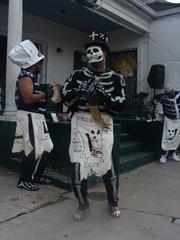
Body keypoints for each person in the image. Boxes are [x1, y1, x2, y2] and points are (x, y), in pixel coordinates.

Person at [62, 31, 126, 220]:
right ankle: (83, 204)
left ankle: (113, 201)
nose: (91, 53)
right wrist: (77, 91)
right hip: (80, 123)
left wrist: (105, 97)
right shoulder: (77, 75)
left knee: (108, 165)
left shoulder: (116, 78)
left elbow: (122, 103)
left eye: (95, 48)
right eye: (88, 49)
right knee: (77, 167)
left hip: (103, 124)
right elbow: (64, 97)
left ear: (105, 53)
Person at [8, 40, 54, 191]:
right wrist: (43, 95)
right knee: (32, 149)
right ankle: (25, 180)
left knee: (45, 148)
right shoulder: (25, 76)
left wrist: (43, 95)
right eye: (40, 63)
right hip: (29, 117)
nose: (41, 66)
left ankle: (37, 176)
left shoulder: (30, 76)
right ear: (34, 63)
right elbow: (27, 98)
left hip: (37, 118)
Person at [154, 83, 180, 164]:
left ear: (172, 91)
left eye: (170, 93)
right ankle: (163, 154)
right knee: (167, 138)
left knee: (176, 138)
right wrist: (156, 109)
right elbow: (155, 98)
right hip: (168, 120)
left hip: (178, 120)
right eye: (167, 94)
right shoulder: (163, 97)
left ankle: (173, 153)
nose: (169, 95)